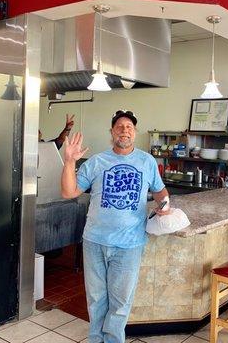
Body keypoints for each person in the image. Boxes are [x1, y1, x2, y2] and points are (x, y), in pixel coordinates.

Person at [61, 110, 170, 343]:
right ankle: (95, 339)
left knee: (120, 302)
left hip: (129, 244)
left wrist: (165, 205)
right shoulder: (97, 162)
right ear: (112, 132)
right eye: (119, 126)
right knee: (97, 298)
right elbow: (68, 192)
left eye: (129, 126)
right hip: (94, 241)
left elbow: (160, 192)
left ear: (135, 132)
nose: (124, 130)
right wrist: (69, 161)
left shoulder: (147, 161)